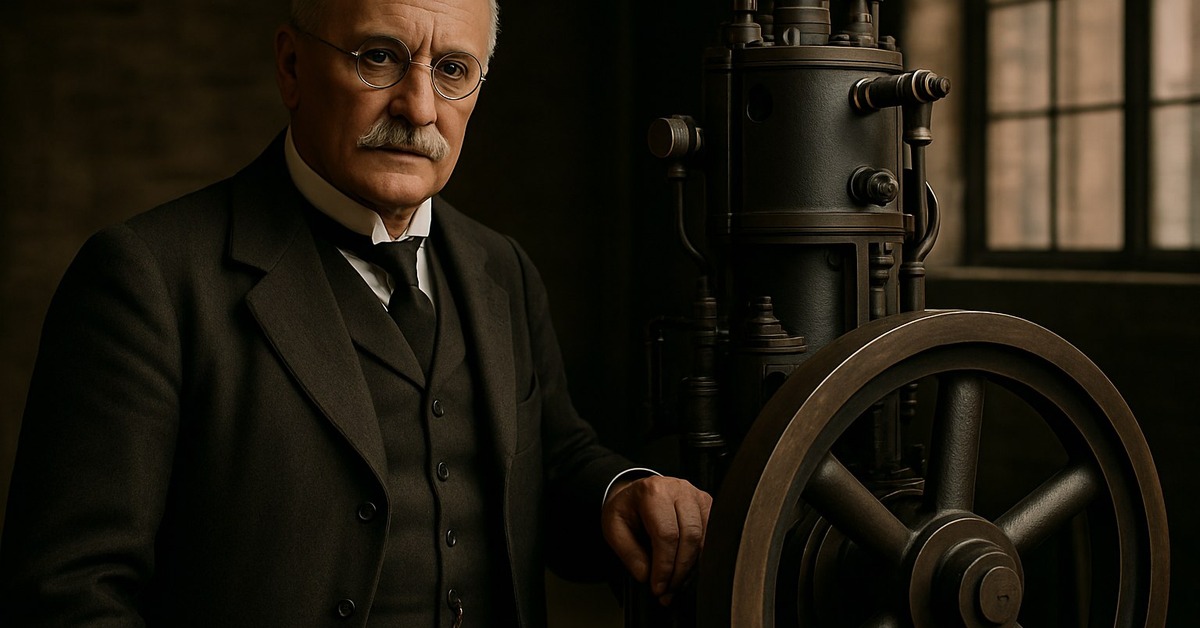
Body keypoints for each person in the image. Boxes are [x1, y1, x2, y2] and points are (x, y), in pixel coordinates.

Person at [0, 0, 712, 625]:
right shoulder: (147, 277)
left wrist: (622, 492)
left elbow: (553, 464)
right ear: (291, 67)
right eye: (379, 58)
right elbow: (69, 593)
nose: (419, 108)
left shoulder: (503, 268)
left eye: (453, 70)